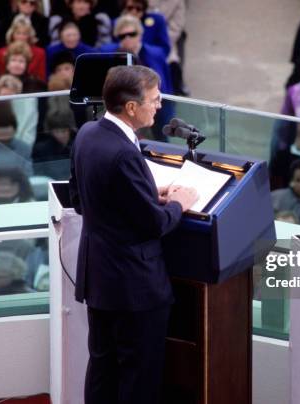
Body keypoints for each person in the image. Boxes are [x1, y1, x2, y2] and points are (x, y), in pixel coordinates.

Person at [68, 65, 198, 404]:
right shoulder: (125, 153)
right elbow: (154, 225)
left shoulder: (87, 134)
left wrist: (146, 194)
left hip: (99, 279)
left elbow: (81, 200)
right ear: (131, 107)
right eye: (154, 100)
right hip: (133, 288)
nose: (158, 106)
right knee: (138, 378)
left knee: (102, 370)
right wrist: (179, 204)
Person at [0, 14, 47, 81]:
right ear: (12, 34)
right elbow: (1, 76)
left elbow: (42, 78)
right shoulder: (1, 52)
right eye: (18, 33)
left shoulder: (40, 53)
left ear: (29, 36)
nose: (21, 37)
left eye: (24, 34)